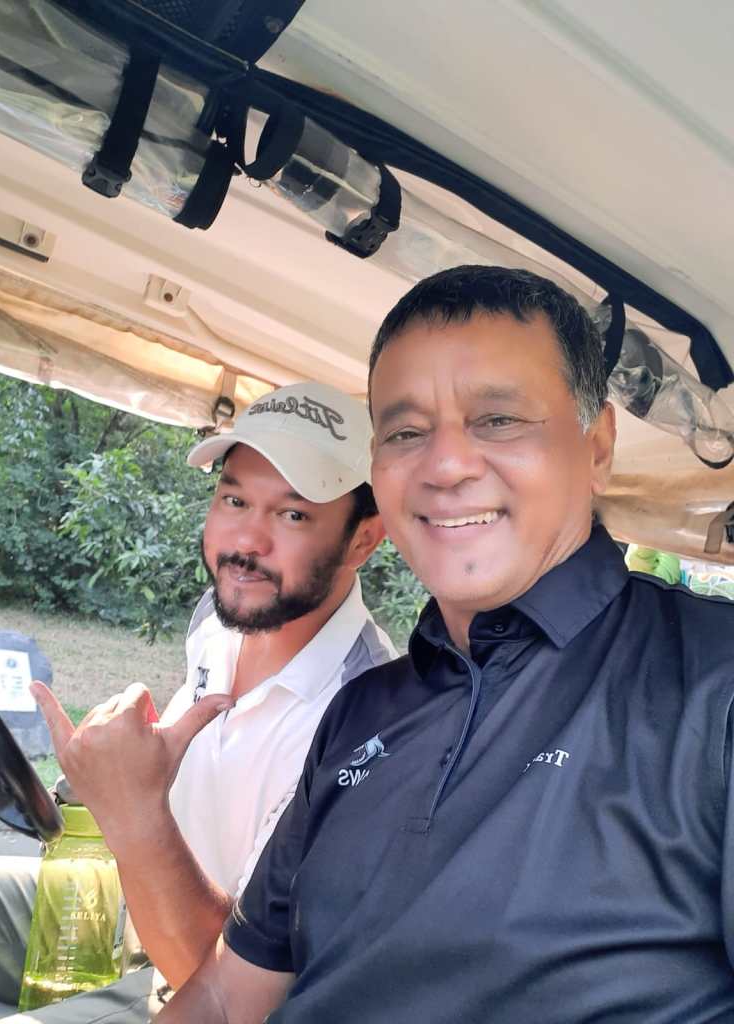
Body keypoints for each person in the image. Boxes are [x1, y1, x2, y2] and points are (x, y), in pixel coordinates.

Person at [158, 266, 734, 1024]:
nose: (446, 465)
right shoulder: (361, 712)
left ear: (596, 448)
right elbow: (228, 994)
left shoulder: (714, 684)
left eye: (499, 419)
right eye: (406, 432)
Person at [0, 380, 394, 1022]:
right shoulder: (222, 616)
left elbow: (233, 989)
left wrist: (132, 806)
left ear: (364, 539)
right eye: (234, 500)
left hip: (184, 979)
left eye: (293, 515)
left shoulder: (366, 720)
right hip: (126, 903)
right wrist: (116, 771)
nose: (246, 543)